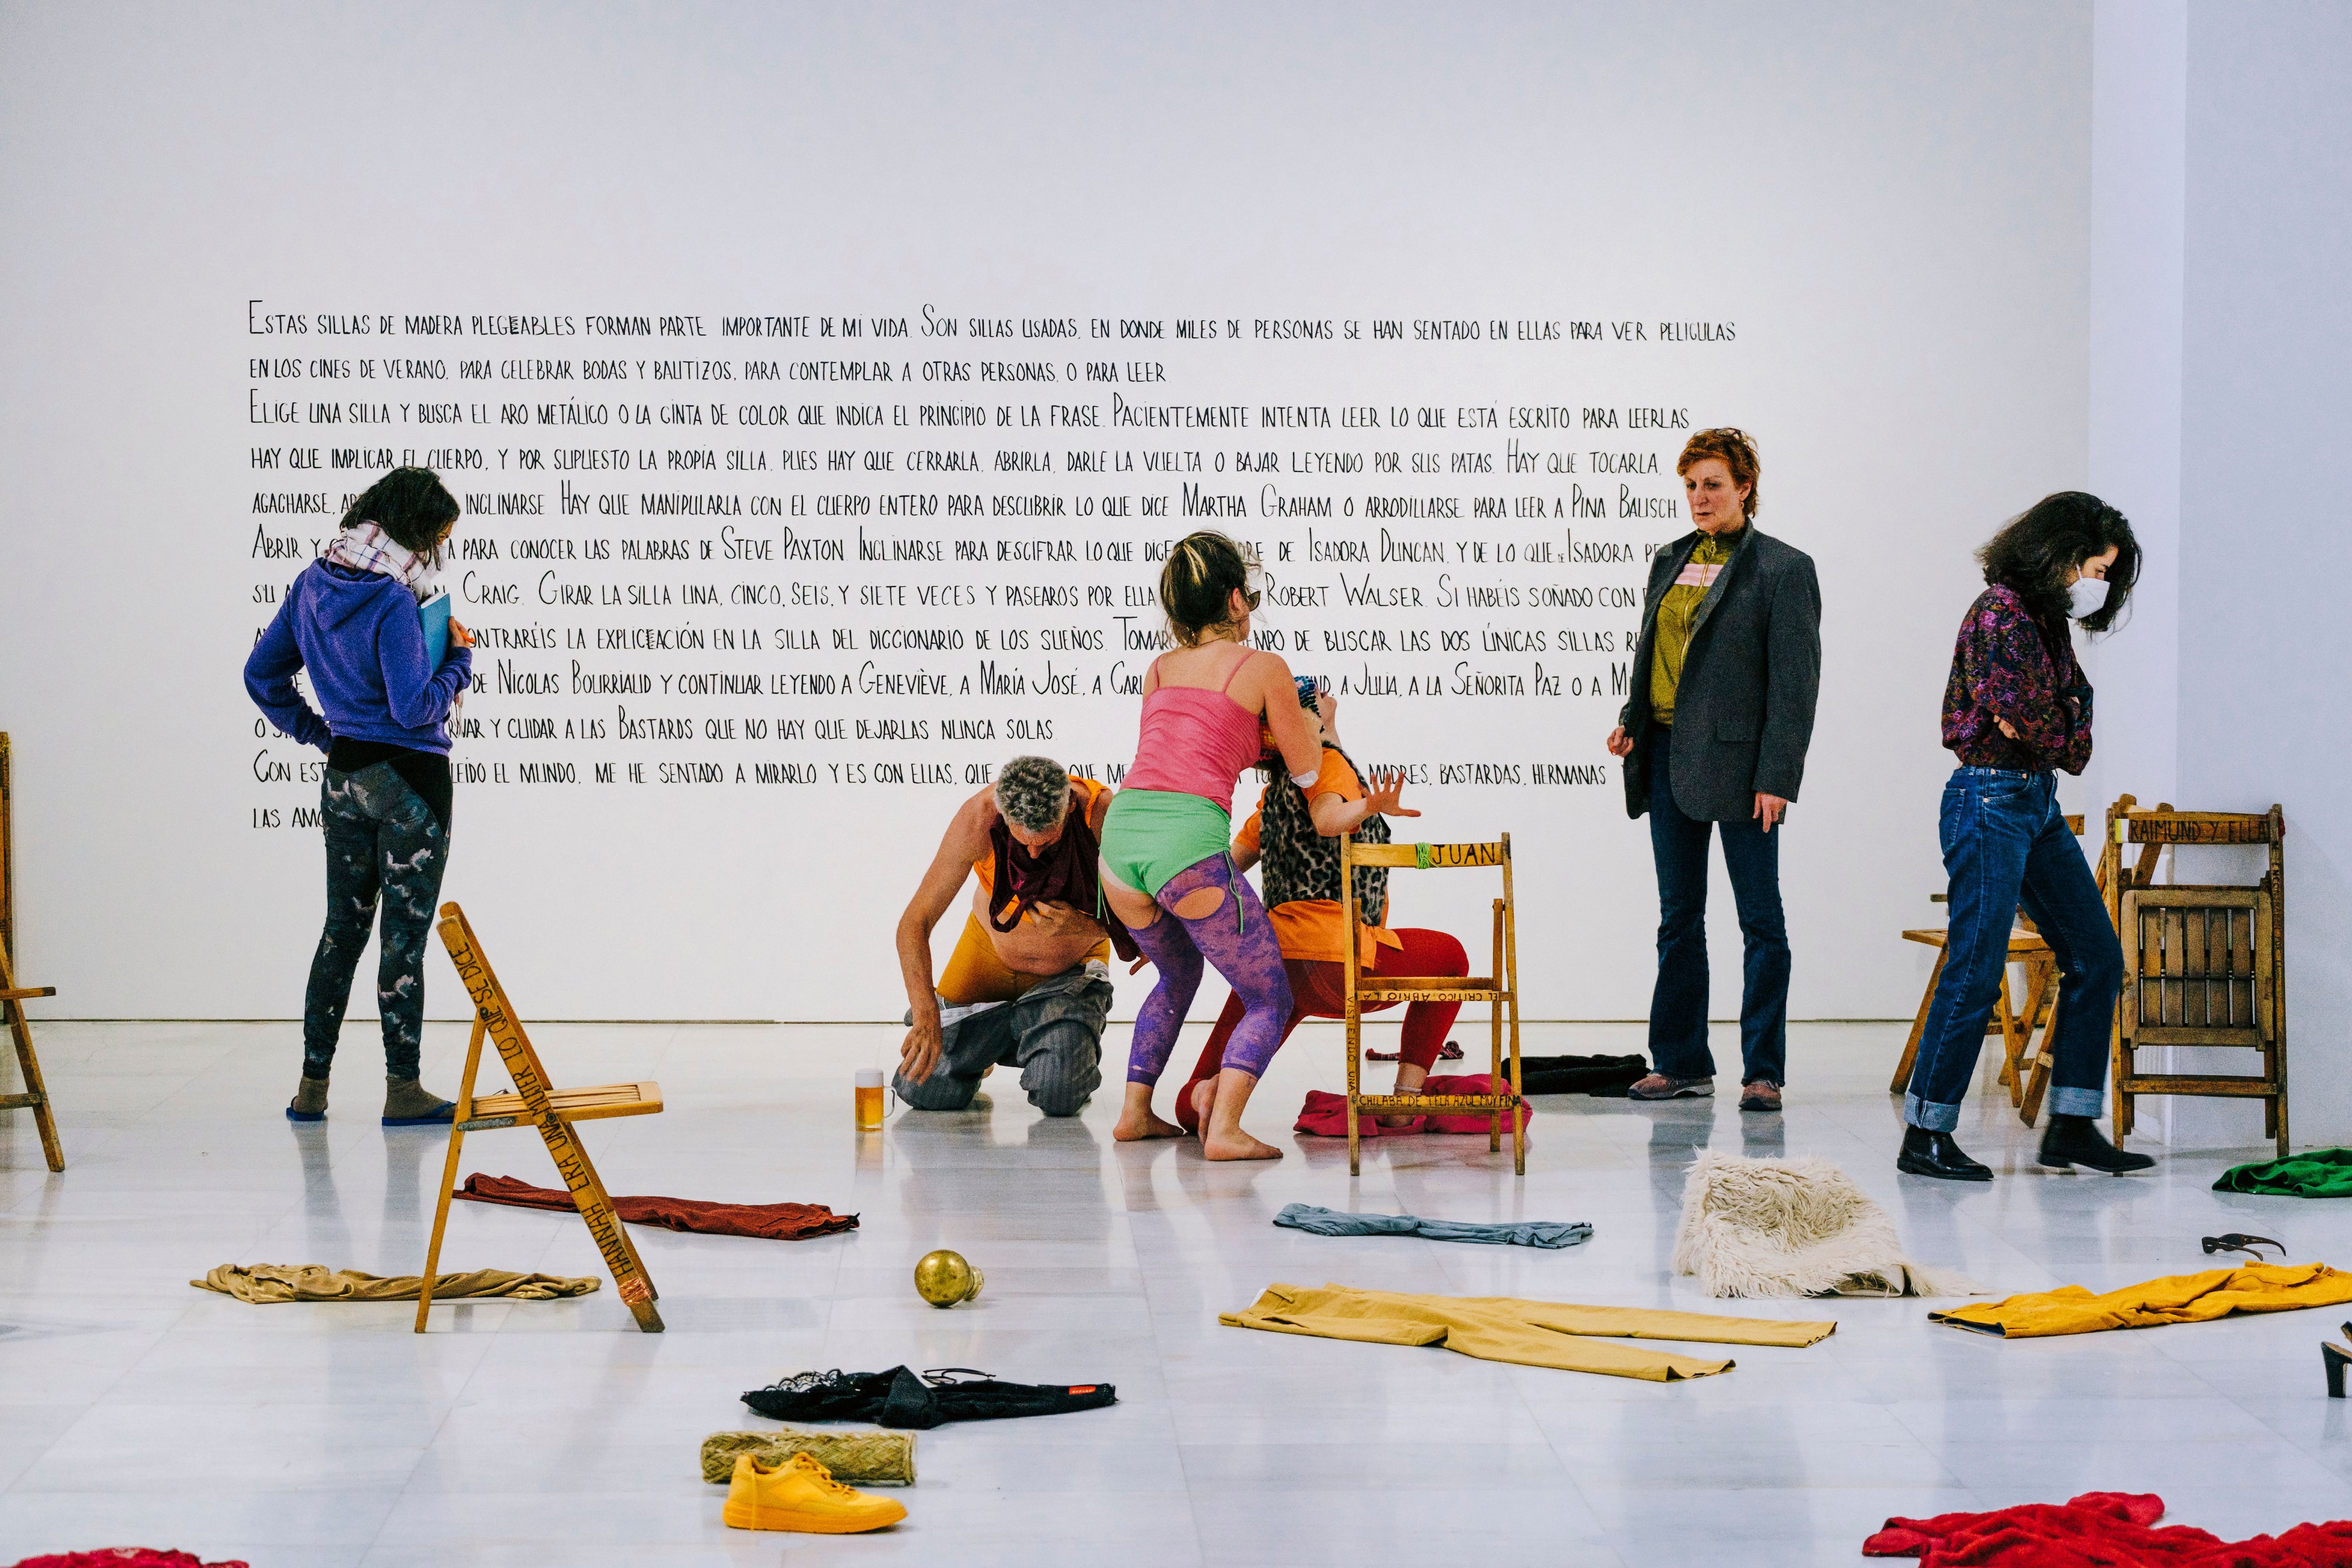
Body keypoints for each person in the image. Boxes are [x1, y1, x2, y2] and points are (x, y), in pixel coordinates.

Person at [1897, 493, 2153, 1181]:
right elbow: (2036, 717)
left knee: (2097, 958)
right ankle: (1925, 1135)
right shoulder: (2000, 613)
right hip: (1988, 796)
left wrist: (2057, 717)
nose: (2093, 582)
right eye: (2093, 568)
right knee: (1977, 969)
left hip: (2034, 800)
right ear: (2059, 552)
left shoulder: (2041, 621)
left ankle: (2070, 1123)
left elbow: (2069, 720)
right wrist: (2056, 717)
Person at [244, 467, 475, 1126]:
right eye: (436, 537)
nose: (435, 551)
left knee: (340, 932)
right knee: (403, 940)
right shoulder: (395, 600)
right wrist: (459, 660)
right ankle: (403, 1090)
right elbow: (412, 708)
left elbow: (261, 675)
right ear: (413, 531)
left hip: (344, 777)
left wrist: (321, 733)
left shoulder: (313, 582)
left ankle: (311, 1092)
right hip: (411, 780)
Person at [1607, 427, 1820, 1112]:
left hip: (1742, 767)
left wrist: (1778, 776)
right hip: (1666, 754)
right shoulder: (1670, 558)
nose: (1700, 498)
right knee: (1679, 917)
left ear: (1746, 487)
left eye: (1713, 486)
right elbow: (1656, 656)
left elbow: (1795, 686)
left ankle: (1764, 1071)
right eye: (1692, 485)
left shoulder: (1784, 569)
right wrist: (1632, 719)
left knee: (1761, 920)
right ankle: (1681, 1061)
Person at [1098, 531, 1322, 1160]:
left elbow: (1185, 748)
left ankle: (1134, 1114)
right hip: (1186, 847)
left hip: (1121, 846)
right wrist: (1302, 725)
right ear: (1235, 600)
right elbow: (1306, 774)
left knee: (1177, 974)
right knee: (1269, 997)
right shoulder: (1265, 668)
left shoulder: (1160, 669)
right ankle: (1223, 1130)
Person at [1169, 684, 1469, 1135]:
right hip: (1336, 962)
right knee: (1451, 958)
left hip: (1274, 965)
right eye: (1310, 700)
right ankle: (1405, 1101)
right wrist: (1372, 805)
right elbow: (1328, 815)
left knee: (1191, 1105)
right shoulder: (1330, 768)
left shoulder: (1273, 796)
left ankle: (1205, 1096)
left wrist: (1171, 924)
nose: (1324, 696)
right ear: (1302, 722)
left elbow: (1225, 870)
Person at [891, 755, 1130, 1118]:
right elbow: (915, 922)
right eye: (1023, 842)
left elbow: (1151, 910)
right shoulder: (978, 818)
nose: (1034, 853)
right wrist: (926, 1016)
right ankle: (992, 1046)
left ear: (1067, 809)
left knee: (1059, 1095)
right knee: (920, 1086)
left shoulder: (1102, 816)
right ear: (1003, 814)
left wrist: (1087, 927)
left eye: (1046, 843)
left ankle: (1054, 1043)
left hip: (1067, 973)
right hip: (988, 956)